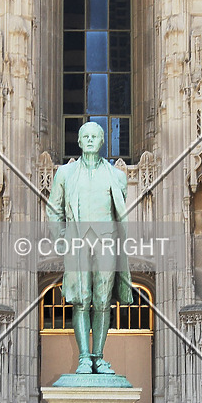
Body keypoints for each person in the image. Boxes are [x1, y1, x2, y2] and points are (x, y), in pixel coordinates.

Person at [47, 121, 133, 374]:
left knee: (103, 300)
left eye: (96, 136)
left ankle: (99, 356)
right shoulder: (65, 174)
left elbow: (120, 212)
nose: (91, 140)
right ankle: (84, 357)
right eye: (86, 136)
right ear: (79, 141)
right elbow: (55, 208)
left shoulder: (118, 176)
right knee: (81, 300)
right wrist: (61, 238)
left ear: (103, 140)